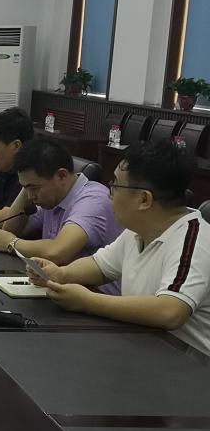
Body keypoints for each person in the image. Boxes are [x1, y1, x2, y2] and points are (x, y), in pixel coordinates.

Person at [29, 140, 209, 356]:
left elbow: (170, 311)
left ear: (144, 199)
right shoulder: (138, 229)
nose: (109, 193)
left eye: (116, 185)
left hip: (188, 364)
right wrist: (61, 274)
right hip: (142, 347)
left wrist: (87, 301)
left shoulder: (194, 241)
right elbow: (100, 266)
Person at [0, 136, 122, 267]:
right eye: (26, 188)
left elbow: (57, 252)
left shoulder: (93, 201)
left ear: (62, 176)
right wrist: (27, 185)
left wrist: (12, 243)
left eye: (34, 188)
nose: (30, 196)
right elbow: (9, 231)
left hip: (91, 282)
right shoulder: (53, 197)